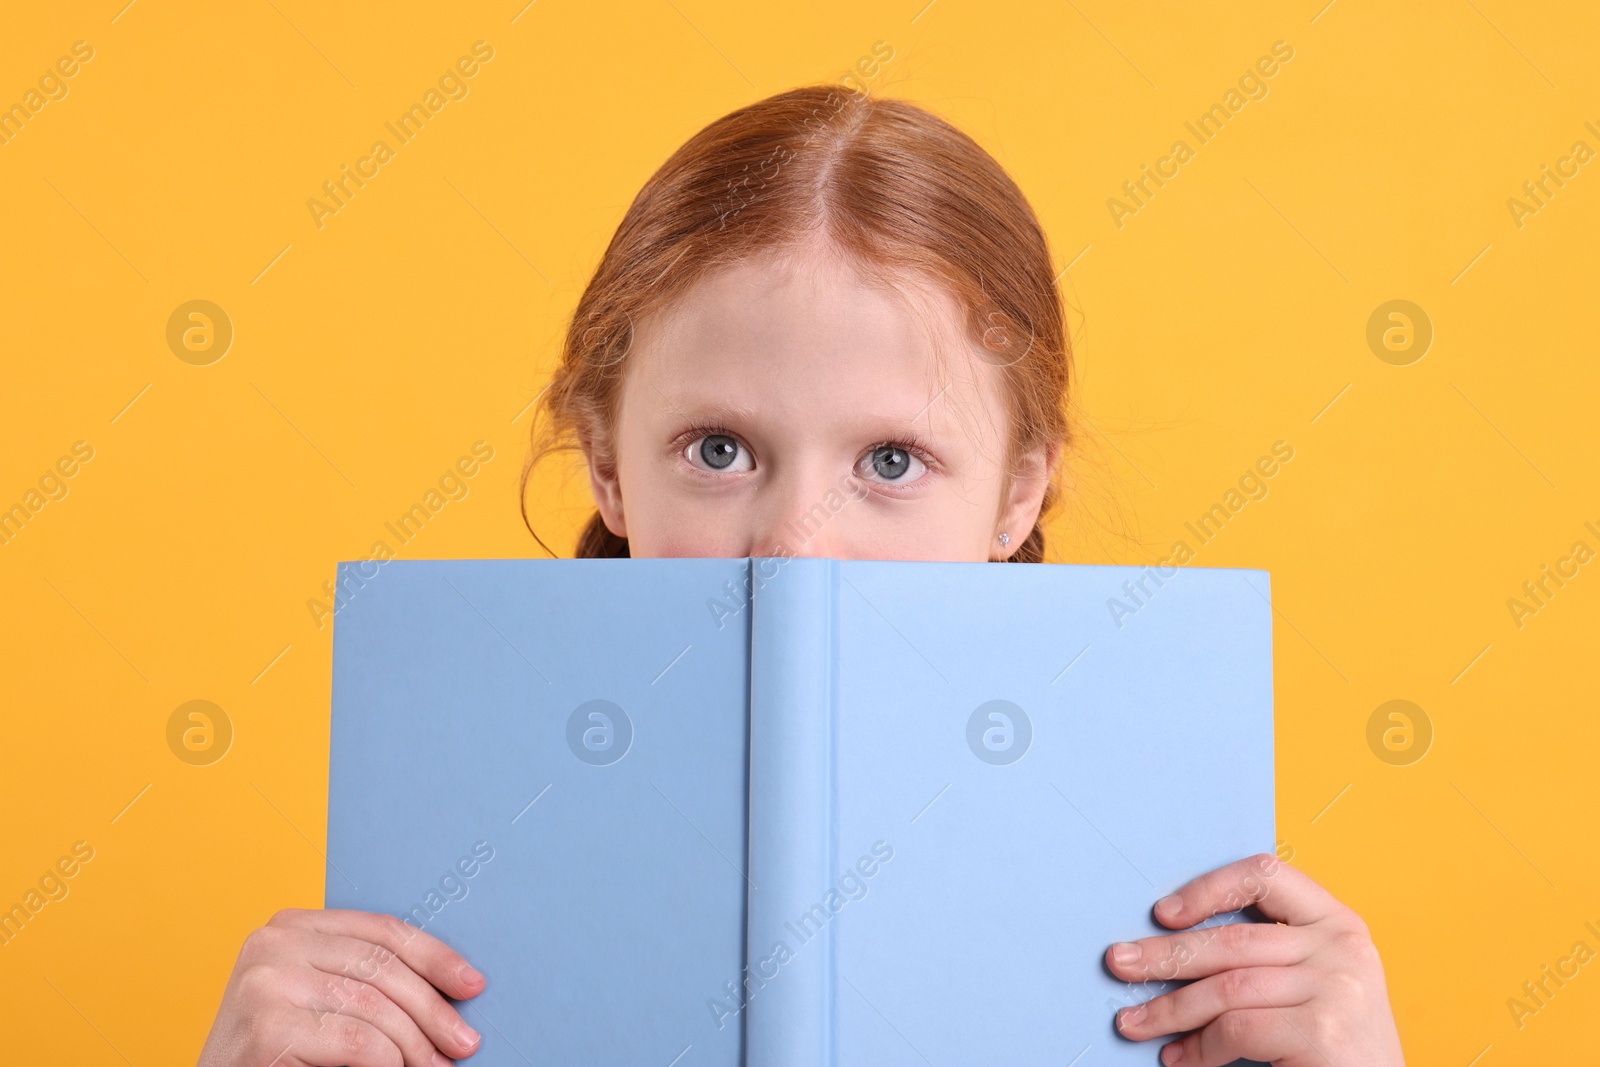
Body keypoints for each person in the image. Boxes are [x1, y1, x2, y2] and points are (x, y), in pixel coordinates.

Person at [198, 84, 1405, 1067]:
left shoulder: (1197, 929)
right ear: (608, 466)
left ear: (1019, 492)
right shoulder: (435, 856)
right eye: (718, 450)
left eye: (892, 459)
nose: (795, 544)